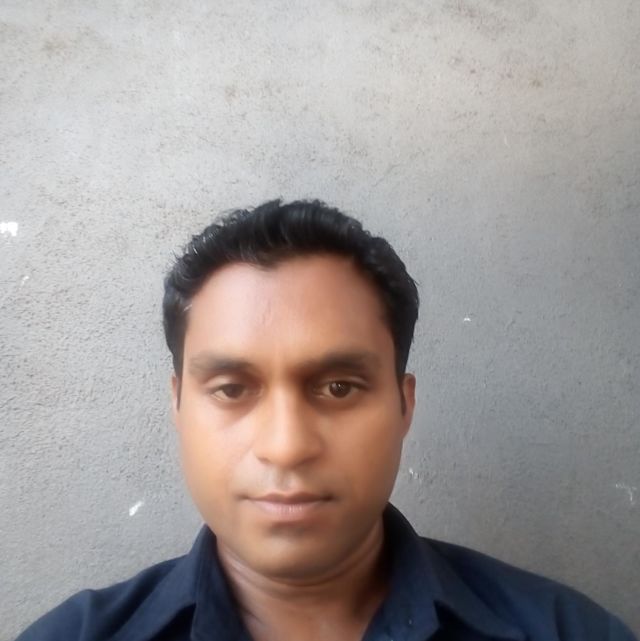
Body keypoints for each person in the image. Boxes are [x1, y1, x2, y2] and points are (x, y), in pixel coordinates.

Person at [16, 199, 636, 641]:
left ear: (404, 406)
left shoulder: (568, 631)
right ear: (178, 406)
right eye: (231, 389)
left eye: (339, 387)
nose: (286, 446)